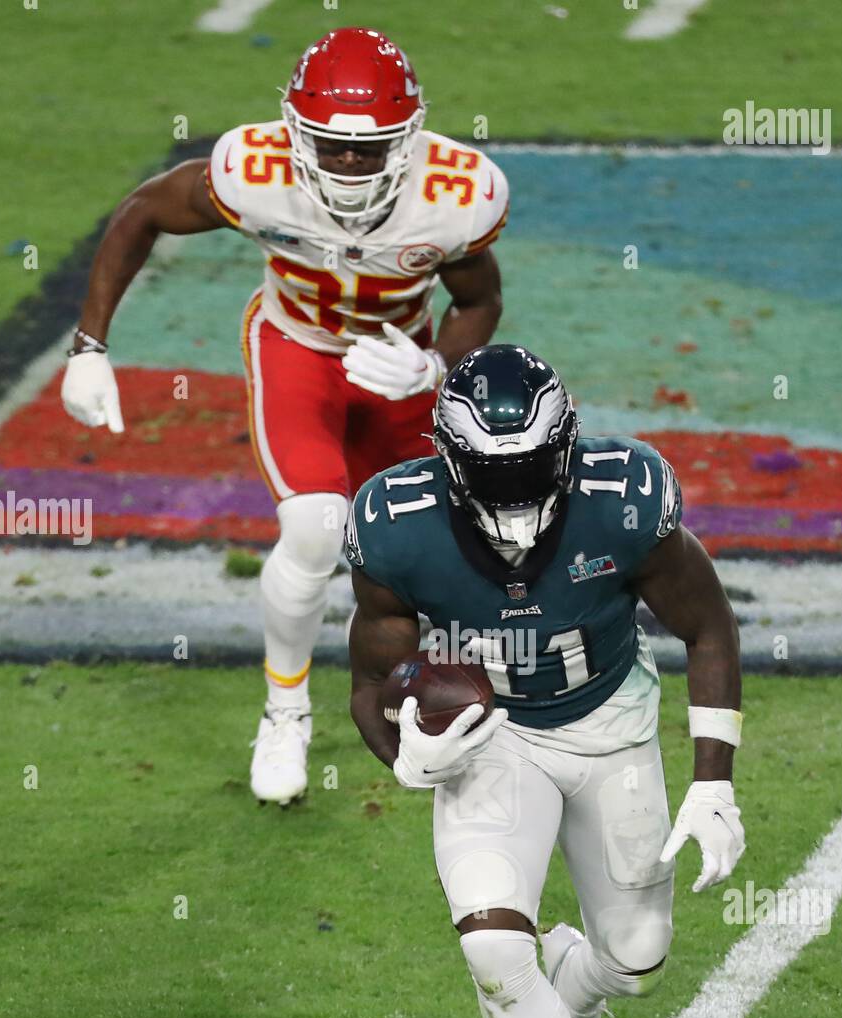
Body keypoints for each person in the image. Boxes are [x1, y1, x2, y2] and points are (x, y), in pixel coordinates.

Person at [345, 343, 746, 1018]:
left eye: (529, 464)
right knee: (490, 944)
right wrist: (401, 750)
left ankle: (577, 976)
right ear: (448, 463)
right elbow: (371, 675)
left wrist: (714, 778)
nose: (515, 485)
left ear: (565, 445)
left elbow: (705, 622)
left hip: (610, 725)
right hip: (495, 744)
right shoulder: (395, 523)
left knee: (637, 960)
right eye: (494, 468)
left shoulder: (625, 496)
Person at [61, 28, 508, 804]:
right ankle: (284, 710)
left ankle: (417, 690)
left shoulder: (456, 195)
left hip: (396, 366)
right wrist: (89, 345)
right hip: (296, 348)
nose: (346, 164)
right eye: (330, 145)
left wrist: (432, 365)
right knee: (313, 526)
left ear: (411, 138)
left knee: (412, 547)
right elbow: (142, 212)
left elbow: (478, 299)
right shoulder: (252, 174)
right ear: (295, 132)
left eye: (368, 150)